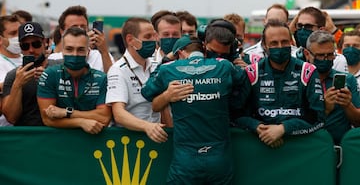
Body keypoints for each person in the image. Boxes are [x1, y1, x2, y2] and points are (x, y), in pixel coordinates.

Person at [141, 34, 245, 184]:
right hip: (219, 156)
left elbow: (146, 91)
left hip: (186, 158)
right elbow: (242, 78)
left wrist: (167, 60)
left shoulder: (168, 69)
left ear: (180, 53)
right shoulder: (223, 65)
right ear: (204, 50)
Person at [236, 20, 325, 148]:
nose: (280, 46)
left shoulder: (308, 71)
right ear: (265, 46)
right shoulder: (252, 72)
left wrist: (283, 129)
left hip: (300, 148)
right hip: (261, 146)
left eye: (284, 42)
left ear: (291, 42)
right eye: (274, 43)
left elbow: (318, 117)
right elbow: (235, 114)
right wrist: (258, 128)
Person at [37, 27, 111, 134]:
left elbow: (104, 118)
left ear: (88, 52)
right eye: (69, 49)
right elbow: (47, 119)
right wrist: (81, 122)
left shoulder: (101, 79)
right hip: (58, 142)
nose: (75, 54)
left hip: (93, 142)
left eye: (80, 50)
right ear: (62, 51)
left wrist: (66, 112)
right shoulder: (49, 75)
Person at [106, 17, 167, 143]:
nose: (154, 40)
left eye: (154, 36)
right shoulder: (118, 70)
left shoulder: (157, 65)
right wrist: (147, 127)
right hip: (130, 140)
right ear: (130, 40)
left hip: (158, 137)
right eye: (148, 36)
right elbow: (118, 114)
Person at [304, 30, 360, 144]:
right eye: (320, 55)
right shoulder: (300, 80)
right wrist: (325, 109)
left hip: (340, 147)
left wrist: (348, 105)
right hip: (308, 145)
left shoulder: (348, 80)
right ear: (307, 54)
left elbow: (358, 123)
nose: (326, 59)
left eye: (330, 55)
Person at [2, 22, 47, 125]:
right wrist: (17, 85)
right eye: (25, 46)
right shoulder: (13, 76)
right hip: (27, 136)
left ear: (44, 42)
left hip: (56, 134)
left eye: (36, 44)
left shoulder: (59, 68)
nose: (31, 50)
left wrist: (50, 78)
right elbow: (11, 118)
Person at [47, 5, 114, 73]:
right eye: (74, 27)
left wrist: (104, 52)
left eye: (83, 27)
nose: (80, 31)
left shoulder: (100, 56)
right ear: (62, 32)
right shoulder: (54, 59)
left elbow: (112, 80)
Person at [290, 6, 348, 73]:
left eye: (308, 27)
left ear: (321, 30)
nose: (302, 30)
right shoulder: (291, 57)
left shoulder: (337, 60)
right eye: (299, 26)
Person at [0, 15, 23, 126]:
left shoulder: (28, 57)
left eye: (20, 32)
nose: (18, 37)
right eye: (13, 33)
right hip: (6, 131)